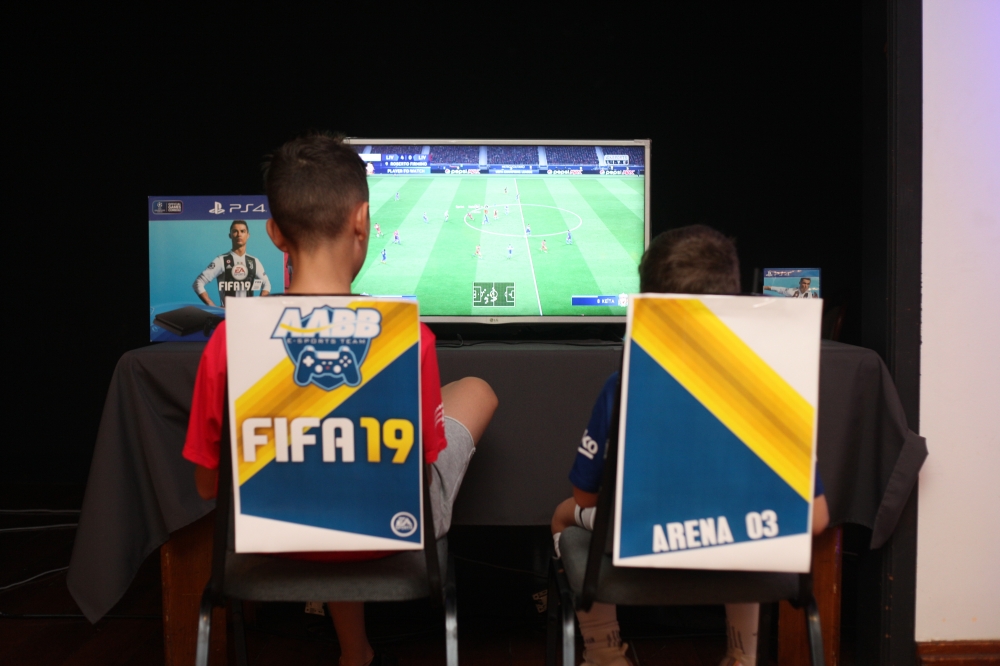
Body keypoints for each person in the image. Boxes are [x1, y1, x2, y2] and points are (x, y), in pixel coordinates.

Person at [183, 133, 498, 666]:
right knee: (476, 391)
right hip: (391, 538)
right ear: (362, 220)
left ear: (274, 233)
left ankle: (356, 651)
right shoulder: (411, 339)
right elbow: (420, 466)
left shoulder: (228, 340)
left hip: (270, 541)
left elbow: (206, 485)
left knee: (323, 465)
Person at [550, 225, 830, 666]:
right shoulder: (774, 384)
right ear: (733, 295)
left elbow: (585, 498)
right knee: (746, 516)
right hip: (745, 550)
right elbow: (817, 517)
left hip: (638, 541)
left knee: (564, 514)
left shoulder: (623, 384)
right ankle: (742, 656)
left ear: (647, 302)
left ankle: (604, 655)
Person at [193, 220, 272, 307]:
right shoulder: (221, 260)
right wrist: (213, 307)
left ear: (248, 235)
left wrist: (259, 304)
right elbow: (198, 283)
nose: (239, 234)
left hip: (248, 313)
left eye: (242, 231)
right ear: (230, 235)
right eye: (235, 231)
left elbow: (267, 284)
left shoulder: (254, 261)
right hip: (227, 314)